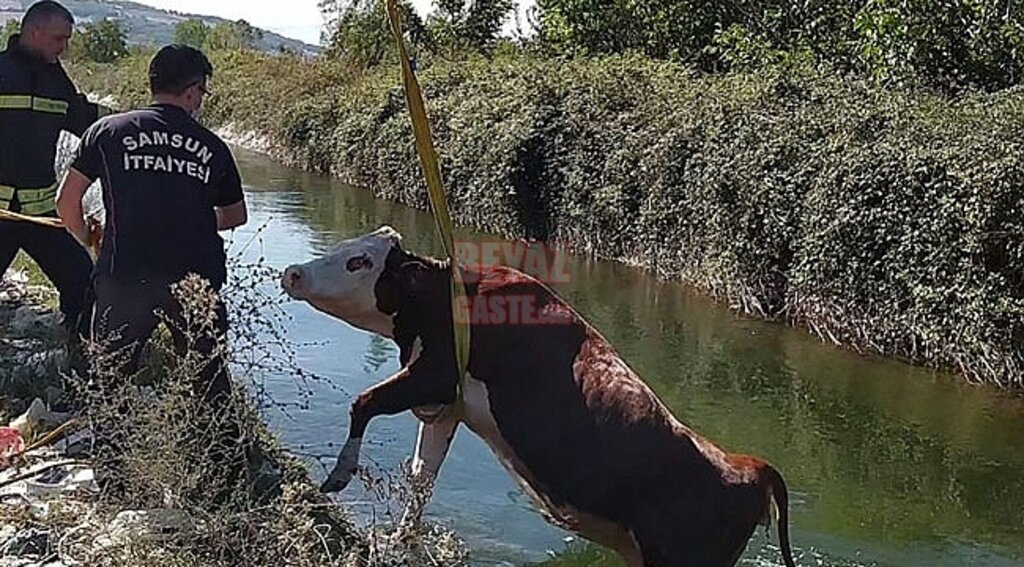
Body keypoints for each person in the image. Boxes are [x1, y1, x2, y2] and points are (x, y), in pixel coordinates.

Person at [55, 44, 248, 403]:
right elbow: (236, 215)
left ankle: (111, 455)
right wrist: (192, 218)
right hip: (195, 281)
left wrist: (86, 236)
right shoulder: (213, 146)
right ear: (192, 90)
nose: (200, 100)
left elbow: (66, 202)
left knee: (109, 383)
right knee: (208, 384)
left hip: (123, 275)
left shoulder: (106, 132)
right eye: (202, 92)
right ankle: (216, 454)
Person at [0, 1, 109, 347]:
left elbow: (87, 123)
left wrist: (132, 125)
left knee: (85, 284)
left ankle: (79, 361)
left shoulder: (55, 79)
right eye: (59, 38)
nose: (64, 46)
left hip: (40, 216)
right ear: (35, 32)